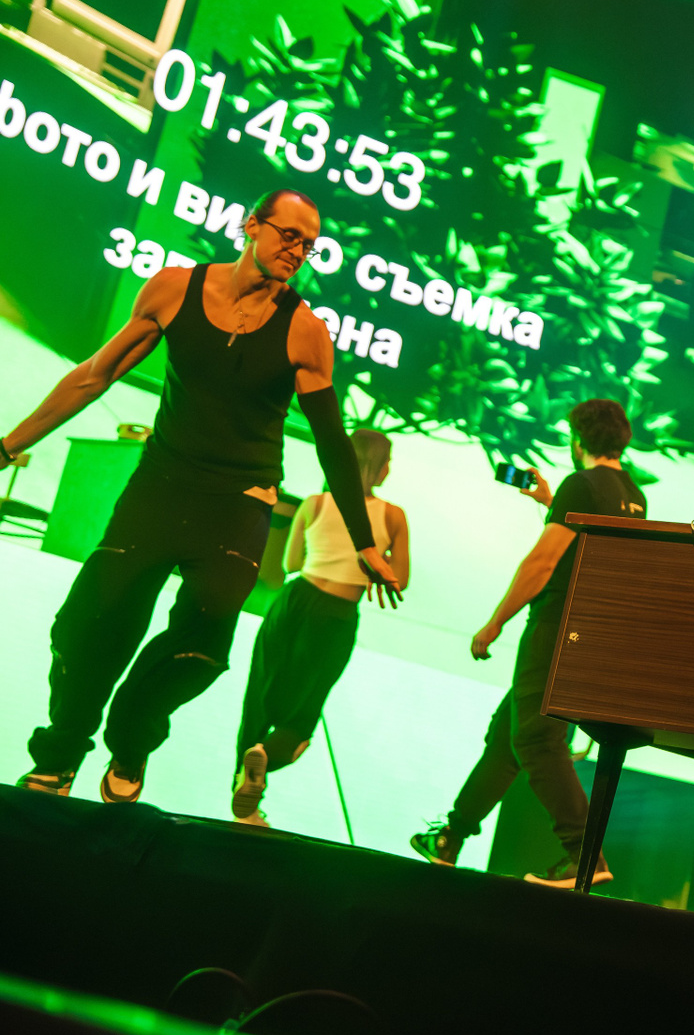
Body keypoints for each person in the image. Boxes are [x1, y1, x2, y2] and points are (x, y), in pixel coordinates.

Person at [8, 189, 403, 803]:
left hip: (239, 502)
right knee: (90, 622)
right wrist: (8, 446)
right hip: (160, 486)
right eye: (289, 235)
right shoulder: (173, 290)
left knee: (203, 642)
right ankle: (60, 754)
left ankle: (132, 736)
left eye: (309, 245)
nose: (298, 251)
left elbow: (333, 446)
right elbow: (94, 376)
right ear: (252, 226)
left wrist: (365, 542)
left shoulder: (305, 332)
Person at [410, 399, 647, 888]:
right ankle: (450, 837)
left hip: (556, 627)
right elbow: (593, 546)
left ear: (576, 440)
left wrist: (494, 623)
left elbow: (543, 562)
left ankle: (584, 854)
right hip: (589, 632)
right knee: (507, 738)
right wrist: (549, 501)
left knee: (536, 740)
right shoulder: (633, 494)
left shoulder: (580, 483)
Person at [229, 428, 410, 826]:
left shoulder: (314, 503)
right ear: (378, 468)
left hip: (293, 601)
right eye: (388, 462)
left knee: (259, 693)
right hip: (337, 613)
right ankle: (266, 760)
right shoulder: (393, 516)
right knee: (305, 708)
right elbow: (401, 579)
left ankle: (245, 788)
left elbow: (291, 564)